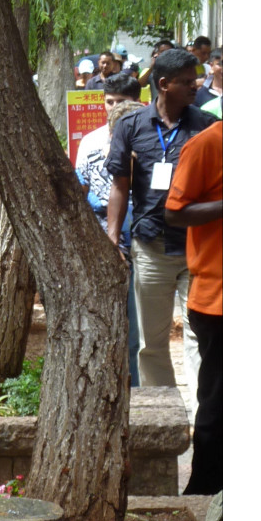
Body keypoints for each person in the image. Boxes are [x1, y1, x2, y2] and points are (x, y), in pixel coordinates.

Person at [105, 48, 217, 388]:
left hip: (198, 250)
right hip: (150, 247)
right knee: (151, 343)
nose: (195, 87)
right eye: (186, 82)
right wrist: (112, 237)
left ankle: (203, 418)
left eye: (195, 80)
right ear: (164, 84)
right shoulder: (131, 125)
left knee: (198, 336)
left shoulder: (207, 127)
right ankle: (163, 421)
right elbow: (120, 186)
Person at [74, 72, 143, 386]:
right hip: (101, 235)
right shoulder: (90, 141)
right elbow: (80, 188)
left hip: (139, 234)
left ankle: (138, 388)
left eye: (122, 102)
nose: (114, 108)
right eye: (109, 101)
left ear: (137, 103)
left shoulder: (148, 139)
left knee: (134, 323)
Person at [164, 120, 222, 496]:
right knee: (219, 402)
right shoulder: (208, 144)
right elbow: (175, 211)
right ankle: (204, 491)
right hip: (219, 300)